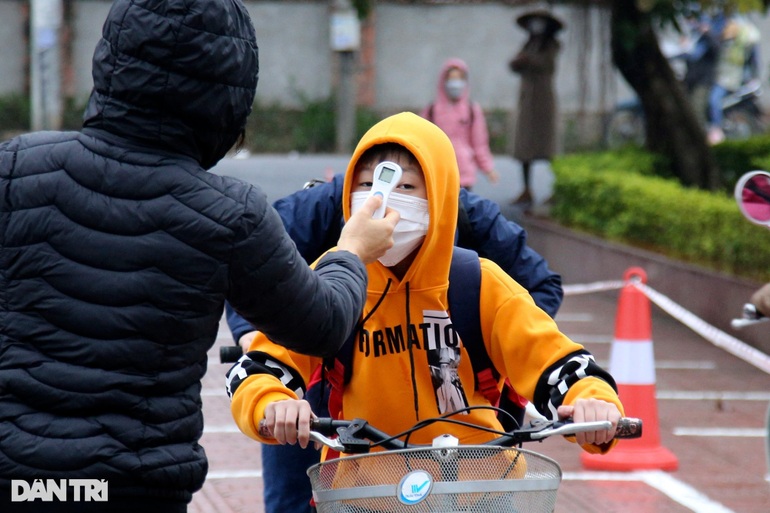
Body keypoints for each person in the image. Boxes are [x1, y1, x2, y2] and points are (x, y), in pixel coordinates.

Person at [0, 0, 397, 511]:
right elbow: (321, 325)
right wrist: (352, 251)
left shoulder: (16, 168)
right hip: (136, 486)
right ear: (228, 93)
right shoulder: (230, 213)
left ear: (113, 58)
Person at [227, 112, 625, 513]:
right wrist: (271, 401)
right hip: (366, 498)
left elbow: (557, 360)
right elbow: (258, 366)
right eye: (366, 185)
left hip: (483, 492)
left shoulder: (479, 283)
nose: (382, 199)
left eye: (405, 187)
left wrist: (591, 399)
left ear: (439, 195)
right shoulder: (330, 283)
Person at [509, 10, 563, 209]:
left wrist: (527, 60)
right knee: (525, 147)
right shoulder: (527, 44)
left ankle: (558, 188)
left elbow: (545, 64)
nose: (536, 25)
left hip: (544, 100)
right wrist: (519, 61)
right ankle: (526, 190)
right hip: (527, 101)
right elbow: (515, 64)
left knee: (548, 146)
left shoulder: (552, 45)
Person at [419, 57, 499, 191]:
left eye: (459, 79)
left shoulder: (472, 110)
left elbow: (479, 143)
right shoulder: (432, 110)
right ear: (443, 81)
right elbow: (421, 140)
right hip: (437, 172)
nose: (455, 84)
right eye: (451, 79)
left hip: (464, 173)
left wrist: (488, 169)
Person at [707, 15, 761, 145]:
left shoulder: (738, 46)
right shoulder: (729, 44)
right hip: (726, 80)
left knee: (713, 101)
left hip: (728, 81)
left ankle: (716, 129)